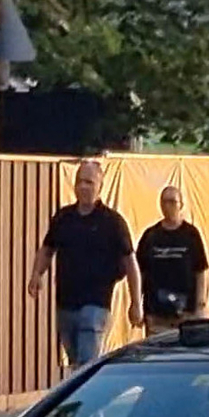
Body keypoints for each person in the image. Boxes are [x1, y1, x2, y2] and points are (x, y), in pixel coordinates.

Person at [27, 159, 140, 370]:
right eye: (79, 182)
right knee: (75, 362)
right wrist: (36, 274)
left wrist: (135, 302)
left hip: (96, 303)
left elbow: (130, 262)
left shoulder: (112, 222)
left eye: (89, 182)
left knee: (86, 363)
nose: (83, 187)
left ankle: (85, 400)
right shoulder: (64, 217)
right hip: (66, 302)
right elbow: (47, 249)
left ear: (100, 186)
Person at [136, 184, 209, 331]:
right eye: (164, 201)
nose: (168, 206)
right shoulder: (150, 236)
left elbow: (200, 270)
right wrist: (137, 304)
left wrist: (200, 304)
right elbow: (139, 273)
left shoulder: (191, 234)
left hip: (186, 313)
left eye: (172, 201)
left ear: (181, 205)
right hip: (156, 313)